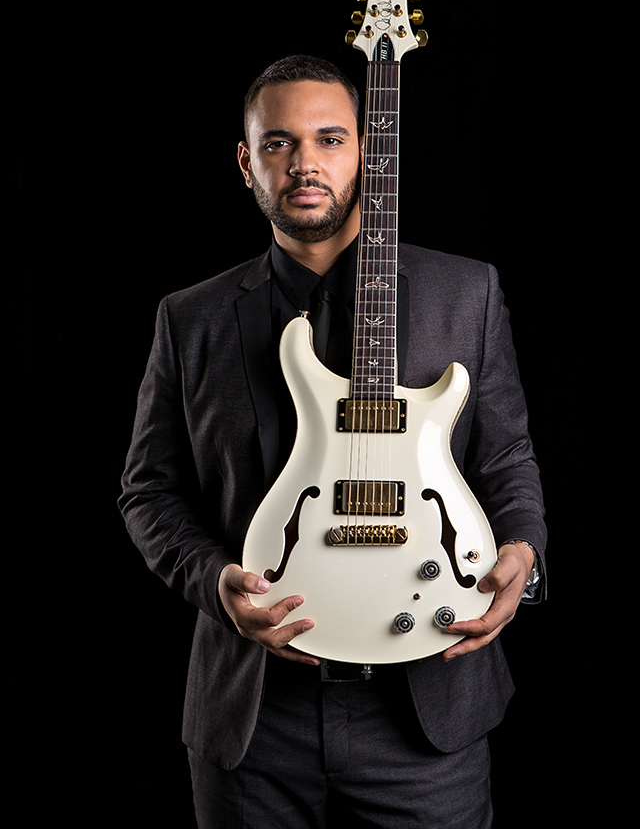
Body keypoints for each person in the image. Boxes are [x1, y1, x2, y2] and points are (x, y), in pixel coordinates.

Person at [119, 54, 546, 828]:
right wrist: (215, 582)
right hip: (253, 719)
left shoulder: (467, 293)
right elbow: (148, 492)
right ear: (247, 162)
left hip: (426, 714)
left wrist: (524, 556)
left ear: (368, 153)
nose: (305, 161)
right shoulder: (190, 318)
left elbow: (507, 458)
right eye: (278, 142)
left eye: (330, 138)